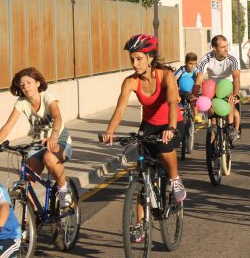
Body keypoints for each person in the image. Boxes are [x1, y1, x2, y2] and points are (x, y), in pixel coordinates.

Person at [102, 34, 186, 204]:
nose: (135, 64)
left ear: (151, 57)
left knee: (163, 148)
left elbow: (171, 103)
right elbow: (120, 109)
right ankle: (139, 228)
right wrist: (110, 131)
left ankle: (175, 179)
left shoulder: (166, 75)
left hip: (173, 122)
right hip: (149, 124)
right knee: (143, 173)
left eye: (139, 59)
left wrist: (170, 128)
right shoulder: (130, 82)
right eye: (132, 59)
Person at [0, 67, 74, 208]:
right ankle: (34, 217)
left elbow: (57, 117)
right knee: (25, 182)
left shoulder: (47, 97)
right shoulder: (21, 103)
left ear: (37, 83)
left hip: (60, 140)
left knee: (49, 158)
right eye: (22, 85)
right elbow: (8, 126)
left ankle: (63, 188)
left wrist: (53, 136)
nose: (25, 87)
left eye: (29, 82)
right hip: (38, 144)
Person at [193, 35, 242, 140]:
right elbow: (199, 79)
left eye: (227, 46)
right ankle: (213, 129)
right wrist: (194, 94)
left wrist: (236, 93)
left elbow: (236, 76)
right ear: (214, 48)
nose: (226, 49)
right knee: (210, 108)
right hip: (212, 86)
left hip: (227, 84)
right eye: (223, 47)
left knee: (230, 99)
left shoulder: (232, 58)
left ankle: (230, 126)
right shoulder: (206, 59)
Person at [174, 52, 203, 124]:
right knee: (180, 106)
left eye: (194, 64)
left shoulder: (196, 69)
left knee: (194, 101)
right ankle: (180, 119)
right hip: (181, 91)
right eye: (190, 64)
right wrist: (176, 89)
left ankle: (196, 115)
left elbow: (199, 78)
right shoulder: (182, 70)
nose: (192, 66)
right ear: (186, 63)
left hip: (191, 91)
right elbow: (174, 79)